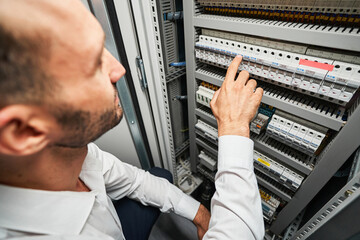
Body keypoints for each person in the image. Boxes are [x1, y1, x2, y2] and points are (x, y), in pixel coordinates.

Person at [0, 0, 264, 239]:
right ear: (23, 131)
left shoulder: (72, 152)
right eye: (92, 64)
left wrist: (201, 214)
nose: (119, 70)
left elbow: (137, 181)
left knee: (159, 175)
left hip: (110, 220)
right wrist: (234, 128)